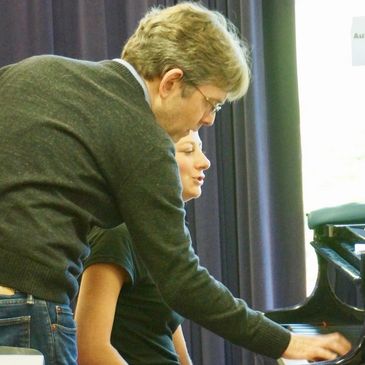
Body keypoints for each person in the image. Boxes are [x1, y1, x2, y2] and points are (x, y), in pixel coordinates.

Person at [0, 2, 350, 364]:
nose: (210, 120)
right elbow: (181, 281)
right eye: (211, 103)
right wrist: (284, 342)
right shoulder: (143, 138)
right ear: (171, 82)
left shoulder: (35, 70)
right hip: (24, 313)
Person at [75, 130, 209, 365]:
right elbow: (89, 348)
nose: (204, 162)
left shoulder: (165, 236)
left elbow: (166, 325)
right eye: (189, 150)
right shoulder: (117, 233)